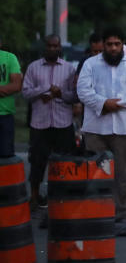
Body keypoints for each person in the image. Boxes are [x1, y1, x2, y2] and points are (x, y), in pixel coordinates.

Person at [76, 27, 126, 234]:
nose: (114, 48)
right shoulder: (91, 64)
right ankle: (95, 214)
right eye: (109, 44)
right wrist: (104, 104)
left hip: (123, 129)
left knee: (123, 175)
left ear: (123, 44)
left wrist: (118, 104)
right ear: (104, 44)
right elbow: (83, 91)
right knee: (95, 173)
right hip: (95, 128)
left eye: (117, 44)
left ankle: (123, 216)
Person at [22, 34, 77, 208]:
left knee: (65, 163)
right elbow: (25, 92)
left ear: (60, 47)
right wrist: (43, 90)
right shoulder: (33, 68)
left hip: (63, 123)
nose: (52, 49)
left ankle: (62, 197)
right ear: (44, 47)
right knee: (37, 160)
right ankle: (35, 196)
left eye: (55, 46)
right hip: (40, 123)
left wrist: (60, 94)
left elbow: (74, 96)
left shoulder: (69, 68)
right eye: (49, 46)